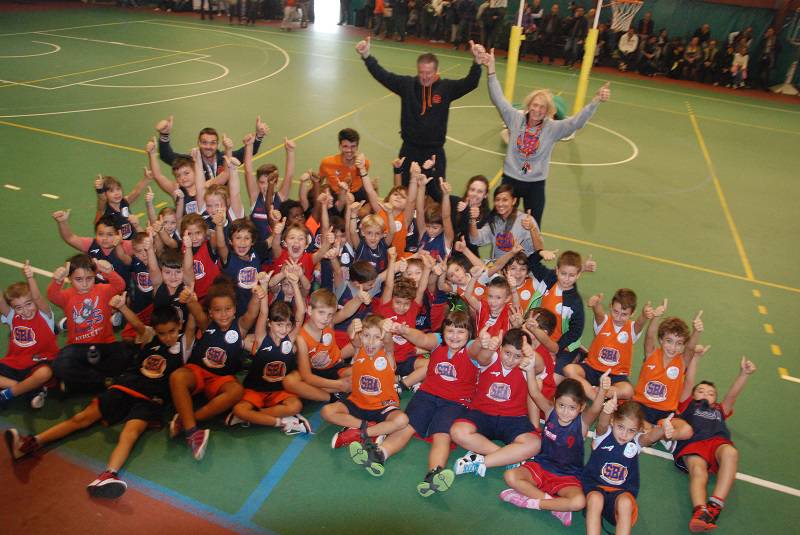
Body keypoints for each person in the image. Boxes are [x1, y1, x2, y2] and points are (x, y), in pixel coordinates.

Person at [4, 305, 186, 498]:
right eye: (163, 333)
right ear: (156, 331)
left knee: (130, 432)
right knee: (81, 418)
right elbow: (137, 325)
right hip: (125, 387)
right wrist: (123, 307)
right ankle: (30, 443)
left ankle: (109, 474)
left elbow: (194, 323)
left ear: (180, 326)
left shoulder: (185, 344)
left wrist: (190, 300)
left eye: (172, 331)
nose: (168, 337)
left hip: (150, 400)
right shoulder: (150, 338)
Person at [481, 48, 610, 227]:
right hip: (510, 180)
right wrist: (491, 70)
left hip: (535, 184)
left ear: (548, 110)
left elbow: (575, 123)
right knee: (500, 223)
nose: (538, 110)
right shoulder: (515, 119)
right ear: (528, 105)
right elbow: (498, 99)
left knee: (533, 227)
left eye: (542, 107)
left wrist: (595, 101)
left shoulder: (552, 128)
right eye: (535, 105)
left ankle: (531, 255)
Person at [355, 36, 484, 201]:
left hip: (434, 153)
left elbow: (470, 83)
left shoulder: (446, 88)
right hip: (409, 150)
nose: (424, 77)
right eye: (421, 72)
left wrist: (477, 62)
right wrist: (367, 56)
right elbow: (383, 76)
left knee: (437, 196)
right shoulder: (407, 85)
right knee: (405, 194)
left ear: (436, 71)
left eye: (428, 73)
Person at [168, 281, 262, 460]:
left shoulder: (240, 327)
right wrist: (187, 297)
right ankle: (193, 432)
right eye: (218, 310)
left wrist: (257, 295)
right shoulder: (206, 323)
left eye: (228, 309)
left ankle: (187, 420)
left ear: (235, 309)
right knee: (177, 377)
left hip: (221, 379)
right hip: (198, 371)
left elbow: (252, 312)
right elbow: (194, 307)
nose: (223, 314)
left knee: (236, 391)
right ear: (210, 312)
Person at [500, 376, 608, 527]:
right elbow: (534, 392)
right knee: (510, 476)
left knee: (579, 502)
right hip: (541, 467)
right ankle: (556, 506)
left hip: (567, 477)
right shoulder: (550, 411)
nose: (565, 412)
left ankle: (532, 502)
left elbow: (596, 408)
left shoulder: (582, 423)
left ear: (581, 407)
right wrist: (530, 368)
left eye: (572, 408)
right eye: (561, 405)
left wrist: (603, 389)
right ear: (555, 401)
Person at [675, 353, 756, 532]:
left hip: (718, 442)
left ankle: (715, 505)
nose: (706, 394)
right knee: (698, 470)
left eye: (711, 393)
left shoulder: (720, 409)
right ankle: (700, 511)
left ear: (715, 399)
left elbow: (732, 395)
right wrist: (695, 358)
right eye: (701, 391)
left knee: (731, 453)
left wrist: (744, 374)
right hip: (694, 444)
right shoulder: (687, 404)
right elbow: (689, 382)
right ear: (693, 394)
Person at [450, 329, 542, 478]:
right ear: (500, 349)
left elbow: (540, 366)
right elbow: (481, 358)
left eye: (517, 356)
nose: (510, 360)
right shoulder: (492, 358)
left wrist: (531, 354)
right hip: (482, 413)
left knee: (535, 444)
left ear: (524, 356)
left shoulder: (527, 365)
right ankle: (508, 456)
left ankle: (482, 460)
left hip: (514, 418)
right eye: (507, 353)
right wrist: (490, 348)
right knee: (457, 431)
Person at [226, 285, 312, 434]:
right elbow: (263, 311)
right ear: (269, 323)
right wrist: (264, 286)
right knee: (239, 409)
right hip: (255, 389)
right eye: (279, 324)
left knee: (296, 406)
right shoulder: (261, 340)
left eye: (288, 325)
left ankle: (253, 417)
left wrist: (295, 284)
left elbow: (301, 313)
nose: (284, 330)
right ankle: (283, 422)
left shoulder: (288, 340)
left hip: (279, 391)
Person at [583, 399, 675, 535]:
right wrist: (606, 411)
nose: (624, 434)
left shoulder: (635, 442)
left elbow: (649, 437)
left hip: (620, 493)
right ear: (613, 421)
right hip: (595, 488)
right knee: (596, 499)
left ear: (638, 430)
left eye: (631, 431)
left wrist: (663, 428)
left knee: (625, 503)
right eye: (620, 427)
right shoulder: (603, 435)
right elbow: (602, 423)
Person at [47, 255, 132, 393]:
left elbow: (120, 285)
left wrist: (109, 271)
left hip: (104, 344)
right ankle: (103, 381)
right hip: (78, 348)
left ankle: (79, 385)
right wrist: (57, 280)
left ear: (95, 276)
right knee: (59, 365)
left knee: (126, 354)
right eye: (78, 279)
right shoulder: (67, 296)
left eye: (89, 278)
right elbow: (52, 295)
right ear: (69, 279)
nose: (85, 284)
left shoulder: (102, 290)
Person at [564, 289, 648, 401]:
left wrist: (644, 315)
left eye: (624, 314)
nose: (618, 317)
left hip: (616, 375)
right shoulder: (603, 321)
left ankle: (598, 391)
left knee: (628, 391)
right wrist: (596, 304)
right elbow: (598, 313)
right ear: (610, 306)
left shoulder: (632, 329)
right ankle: (596, 396)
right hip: (592, 369)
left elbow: (640, 323)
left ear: (632, 313)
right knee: (569, 370)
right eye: (616, 311)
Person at [0, 261, 58, 409]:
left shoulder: (44, 315)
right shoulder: (13, 316)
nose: (25, 311)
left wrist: (30, 277)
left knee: (44, 374)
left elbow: (38, 298)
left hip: (39, 363)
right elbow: (1, 302)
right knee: (36, 392)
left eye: (29, 304)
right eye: (18, 307)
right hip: (15, 362)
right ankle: (30, 389)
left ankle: (8, 394)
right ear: (13, 309)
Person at [155, 115, 267, 182]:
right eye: (204, 143)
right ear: (198, 143)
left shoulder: (224, 159)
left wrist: (258, 136)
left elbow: (249, 151)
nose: (208, 147)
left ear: (218, 145)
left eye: (212, 143)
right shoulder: (191, 161)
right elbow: (166, 155)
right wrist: (164, 135)